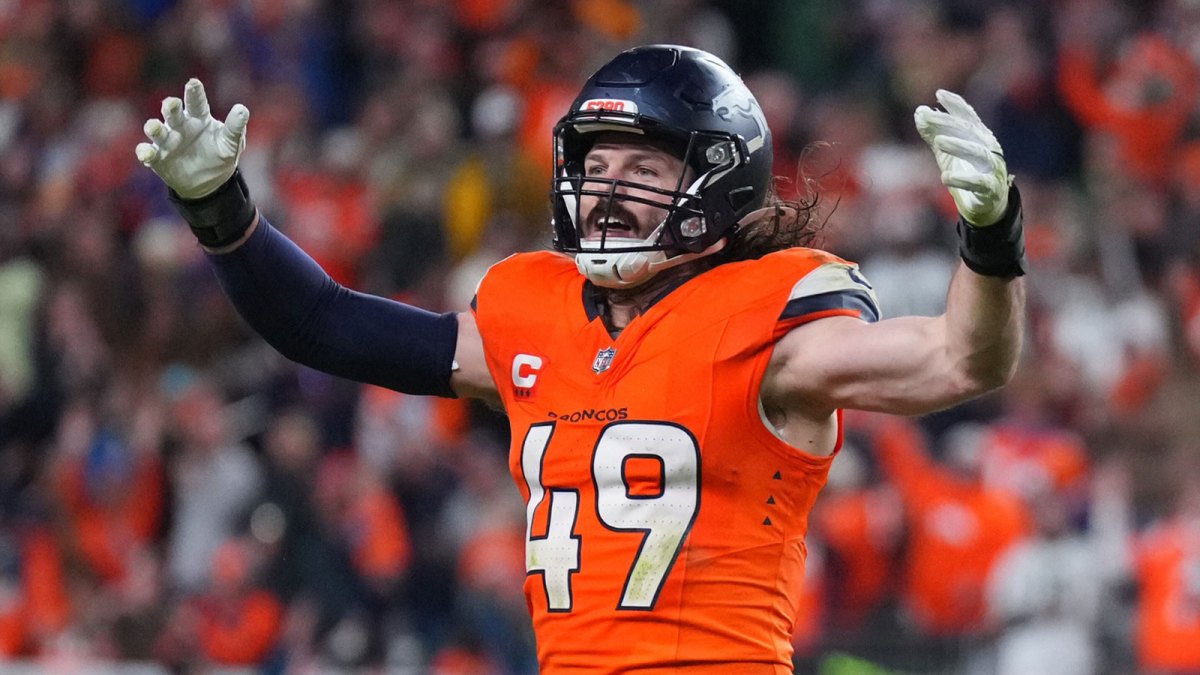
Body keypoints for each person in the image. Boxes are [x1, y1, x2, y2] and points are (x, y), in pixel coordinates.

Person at [136, 44, 1027, 673]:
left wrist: (990, 238)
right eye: (594, 168)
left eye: (639, 169)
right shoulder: (536, 311)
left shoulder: (772, 318)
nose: (605, 193)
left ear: (715, 180)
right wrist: (222, 210)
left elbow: (959, 360)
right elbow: (323, 324)